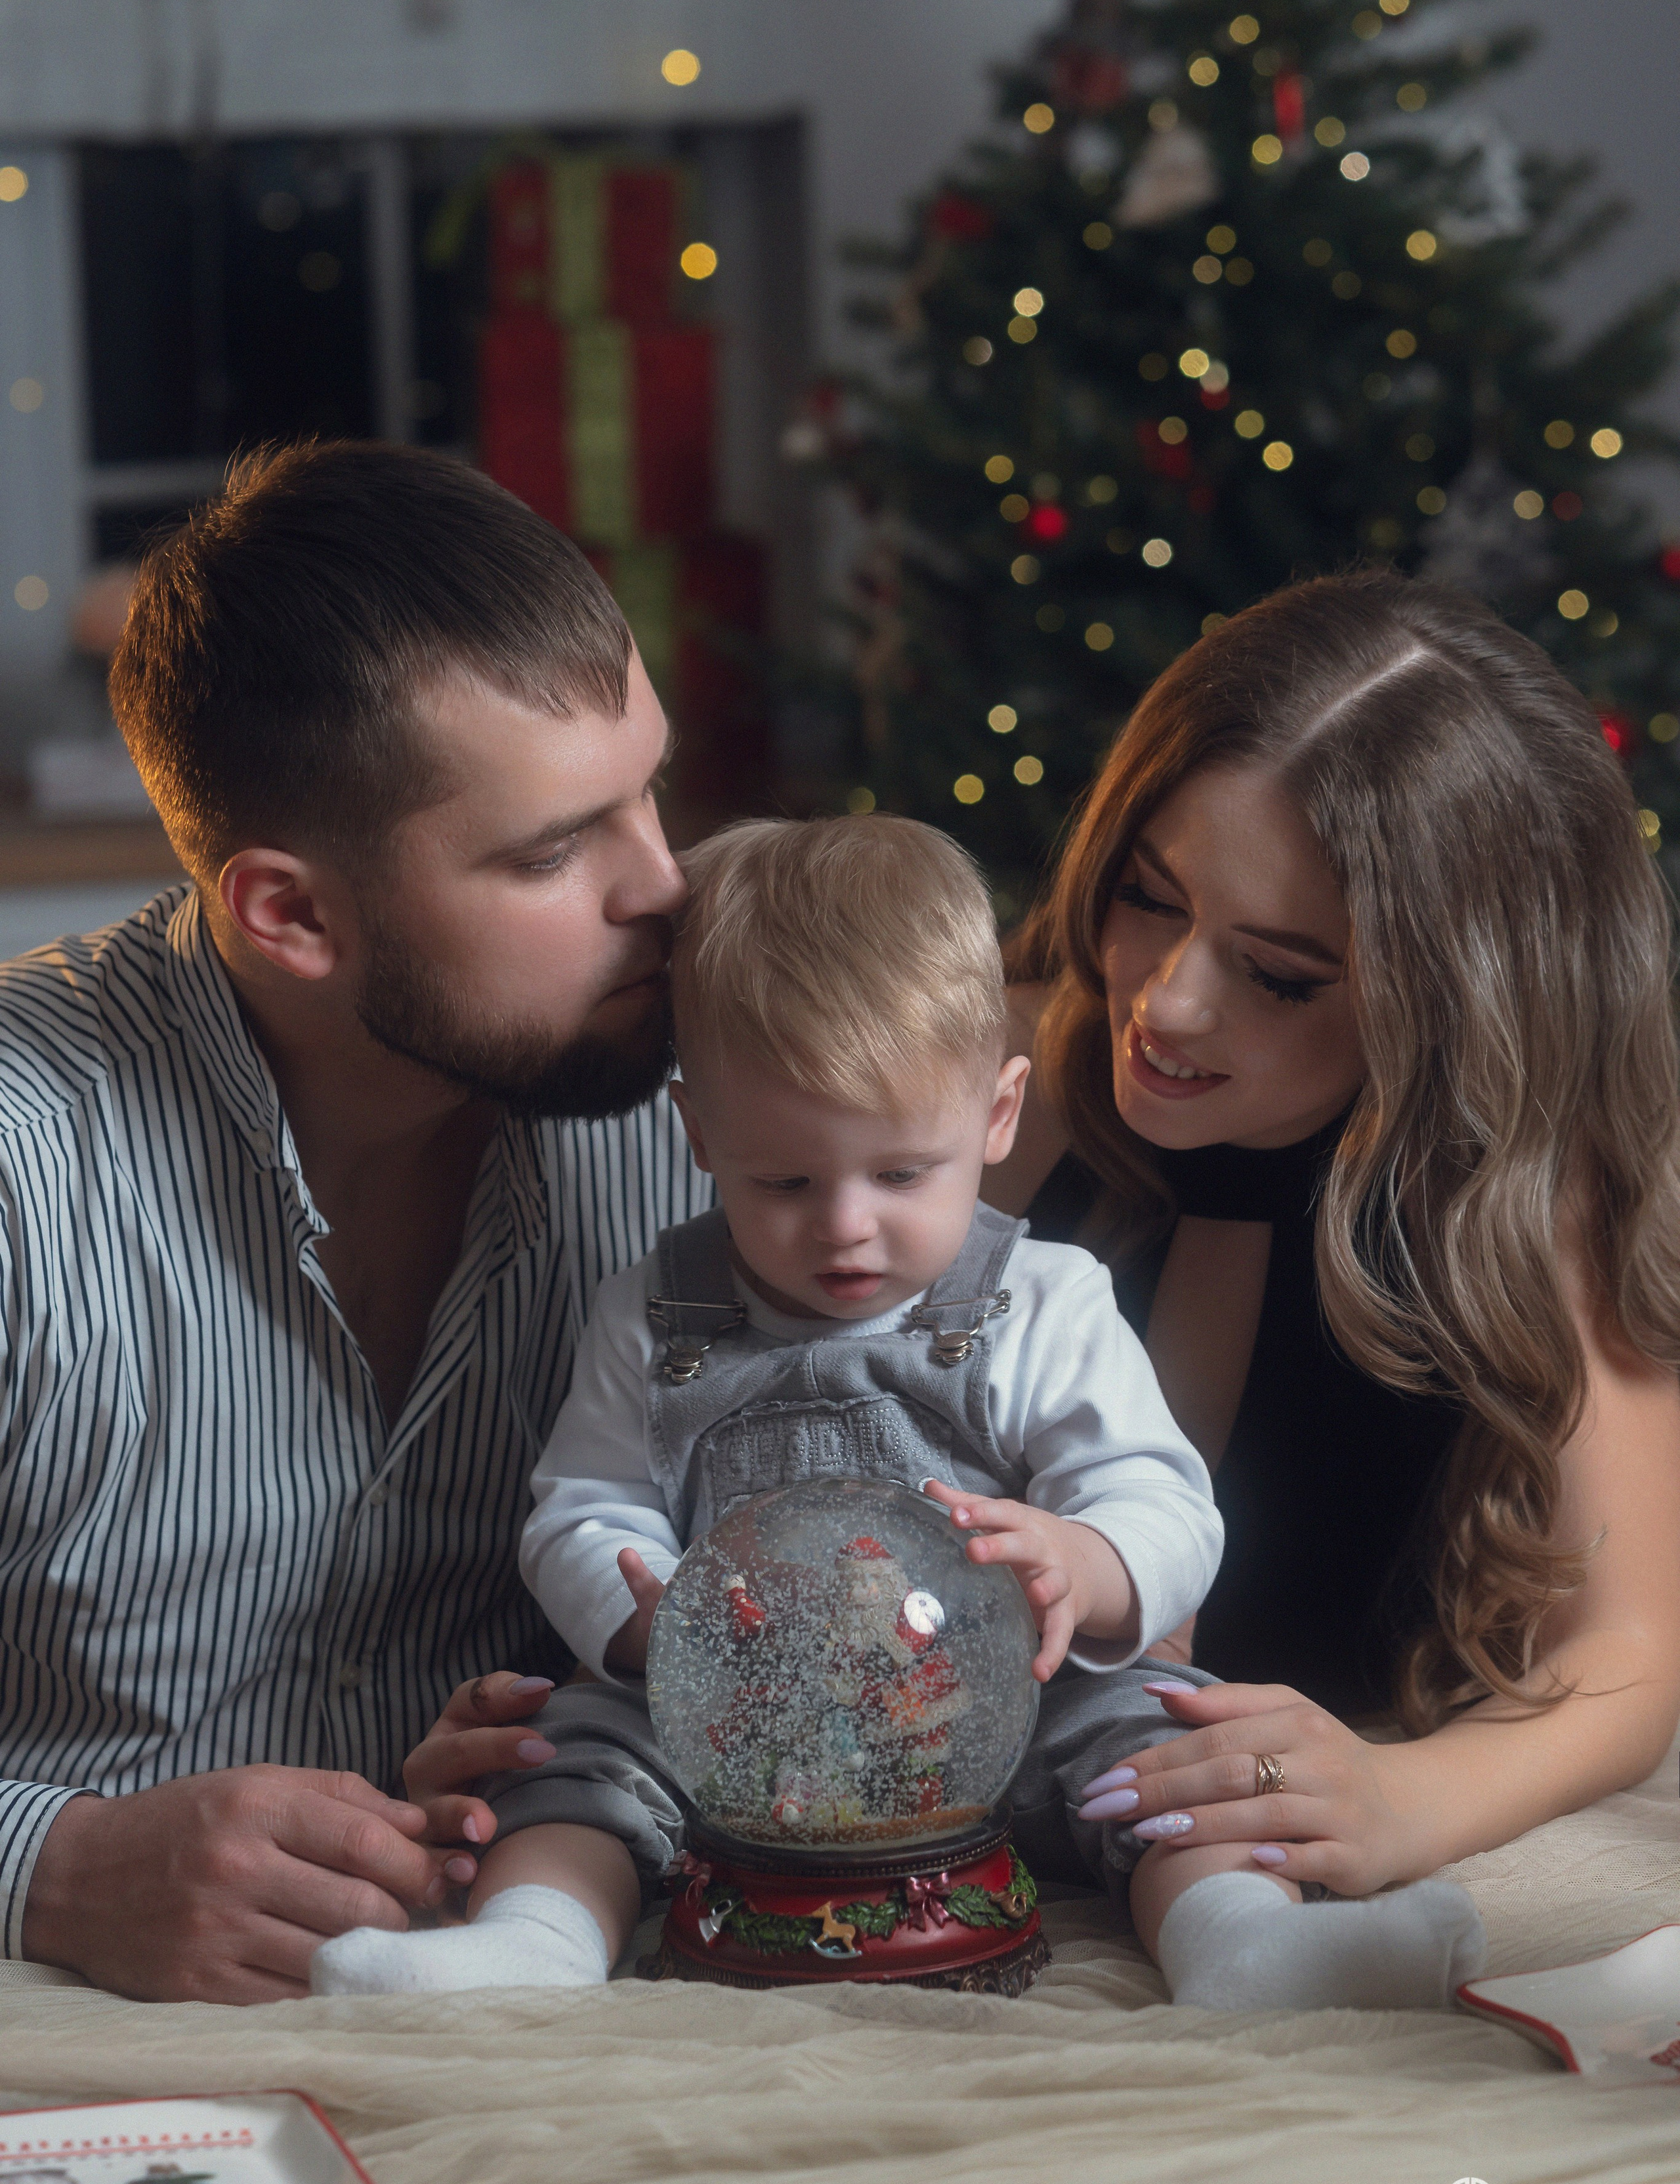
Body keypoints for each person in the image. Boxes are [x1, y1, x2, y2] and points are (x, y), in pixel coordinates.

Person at [313, 815, 1483, 2009]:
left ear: (997, 1114)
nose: (845, 1227)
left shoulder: (1043, 1300)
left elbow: (1160, 1496)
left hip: (1014, 1703)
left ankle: (1246, 1942)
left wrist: (1085, 1561)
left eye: (902, 1173)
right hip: (739, 1715)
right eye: (784, 1181)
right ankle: (536, 1946)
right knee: (571, 1750)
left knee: (1167, 1744)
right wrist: (643, 1619)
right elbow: (582, 1501)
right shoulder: (655, 1316)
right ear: (700, 1135)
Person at [1, 439, 705, 2004]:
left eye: (647, 792)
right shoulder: (19, 1170)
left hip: (535, 2013)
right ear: (291, 915)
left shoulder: (707, 1109)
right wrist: (52, 1869)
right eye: (551, 850)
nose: (664, 886)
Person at [986, 570, 1680, 1999]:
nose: (1165, 1003)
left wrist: (1404, 1797)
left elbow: (1626, 1654)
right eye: (1146, 898)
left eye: (1283, 975)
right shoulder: (1011, 1092)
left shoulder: (1529, 1198)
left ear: (1446, 999)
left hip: (1302, 1767)